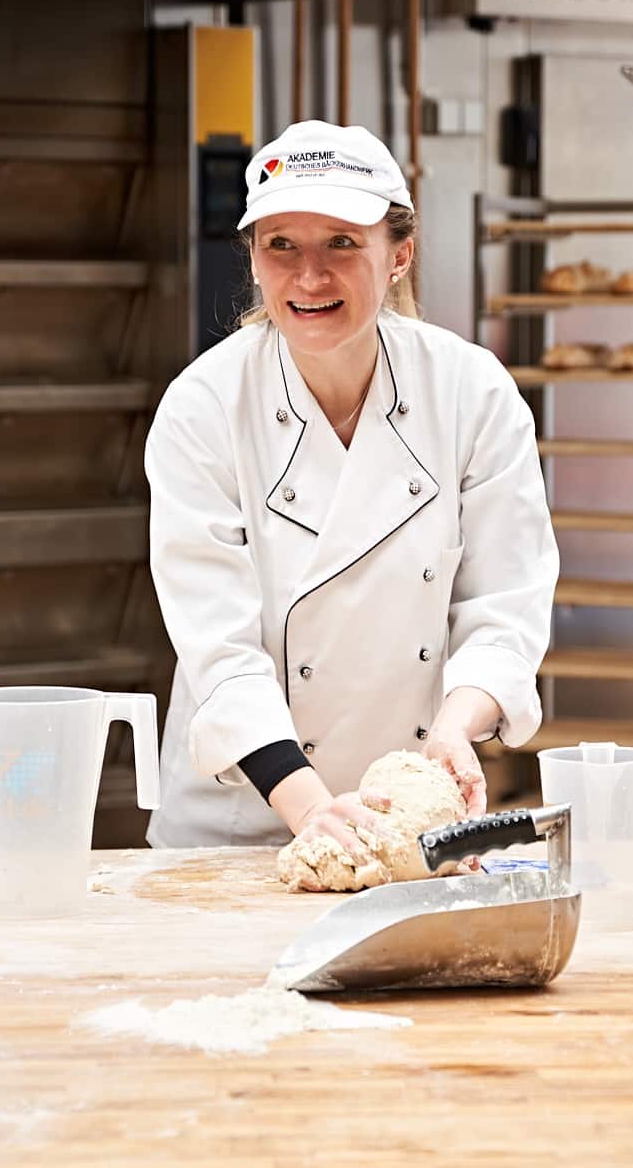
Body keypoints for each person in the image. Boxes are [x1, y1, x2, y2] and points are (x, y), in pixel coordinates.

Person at [143, 120, 558, 859]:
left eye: (341, 242)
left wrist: (458, 727)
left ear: (398, 255)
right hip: (238, 827)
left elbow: (505, 606)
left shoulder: (470, 391)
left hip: (408, 816)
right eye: (281, 246)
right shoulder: (204, 406)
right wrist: (310, 807)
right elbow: (218, 648)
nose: (309, 277)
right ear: (254, 257)